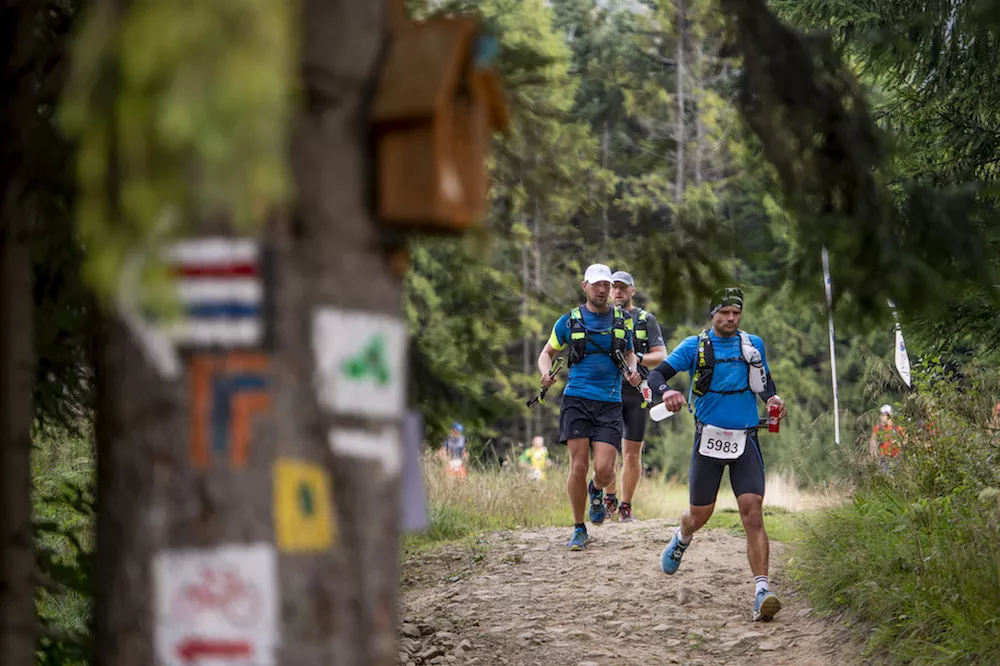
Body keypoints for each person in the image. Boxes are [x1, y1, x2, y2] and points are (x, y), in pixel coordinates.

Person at [647, 287, 787, 622]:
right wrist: (668, 393)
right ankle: (682, 537)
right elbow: (655, 376)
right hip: (708, 439)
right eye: (724, 313)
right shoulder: (693, 346)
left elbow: (765, 383)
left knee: (752, 511)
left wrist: (773, 399)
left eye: (736, 313)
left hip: (746, 439)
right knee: (699, 515)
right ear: (713, 314)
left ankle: (761, 592)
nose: (730, 319)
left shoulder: (752, 345)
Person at [537, 263, 642, 551]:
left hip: (609, 403)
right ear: (585, 286)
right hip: (577, 400)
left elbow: (631, 353)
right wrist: (545, 373)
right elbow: (547, 353)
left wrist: (632, 371)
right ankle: (578, 529)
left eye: (606, 285)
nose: (602, 289)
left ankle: (596, 490)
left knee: (605, 469)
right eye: (596, 284)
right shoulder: (569, 321)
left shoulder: (622, 321)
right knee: (579, 464)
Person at [599, 270, 667, 522]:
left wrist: (637, 359)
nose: (617, 291)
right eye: (613, 287)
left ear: (632, 291)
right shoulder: (601, 317)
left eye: (622, 287)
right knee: (606, 451)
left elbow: (661, 355)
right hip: (608, 391)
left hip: (636, 393)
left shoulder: (645, 319)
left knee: (631, 453)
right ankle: (609, 500)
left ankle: (626, 507)